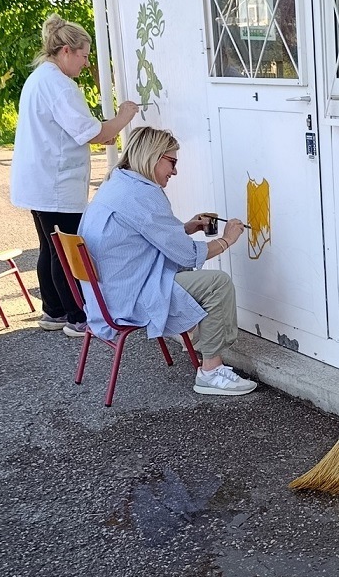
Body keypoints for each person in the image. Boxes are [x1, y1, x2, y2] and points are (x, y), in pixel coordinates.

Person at [78, 126, 257, 397]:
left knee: (194, 278)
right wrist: (227, 240)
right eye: (172, 162)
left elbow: (140, 235)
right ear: (153, 156)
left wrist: (184, 229)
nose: (174, 171)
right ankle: (211, 372)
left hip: (105, 294)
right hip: (129, 297)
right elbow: (186, 255)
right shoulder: (142, 194)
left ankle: (200, 343)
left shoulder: (118, 182)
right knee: (217, 284)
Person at [10, 14, 139, 336]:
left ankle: (53, 311)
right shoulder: (59, 85)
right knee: (66, 250)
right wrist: (123, 117)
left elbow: (73, 130)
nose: (86, 62)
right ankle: (77, 317)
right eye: (84, 55)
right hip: (55, 182)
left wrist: (100, 132)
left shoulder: (41, 78)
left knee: (49, 246)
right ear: (66, 50)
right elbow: (92, 132)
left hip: (40, 179)